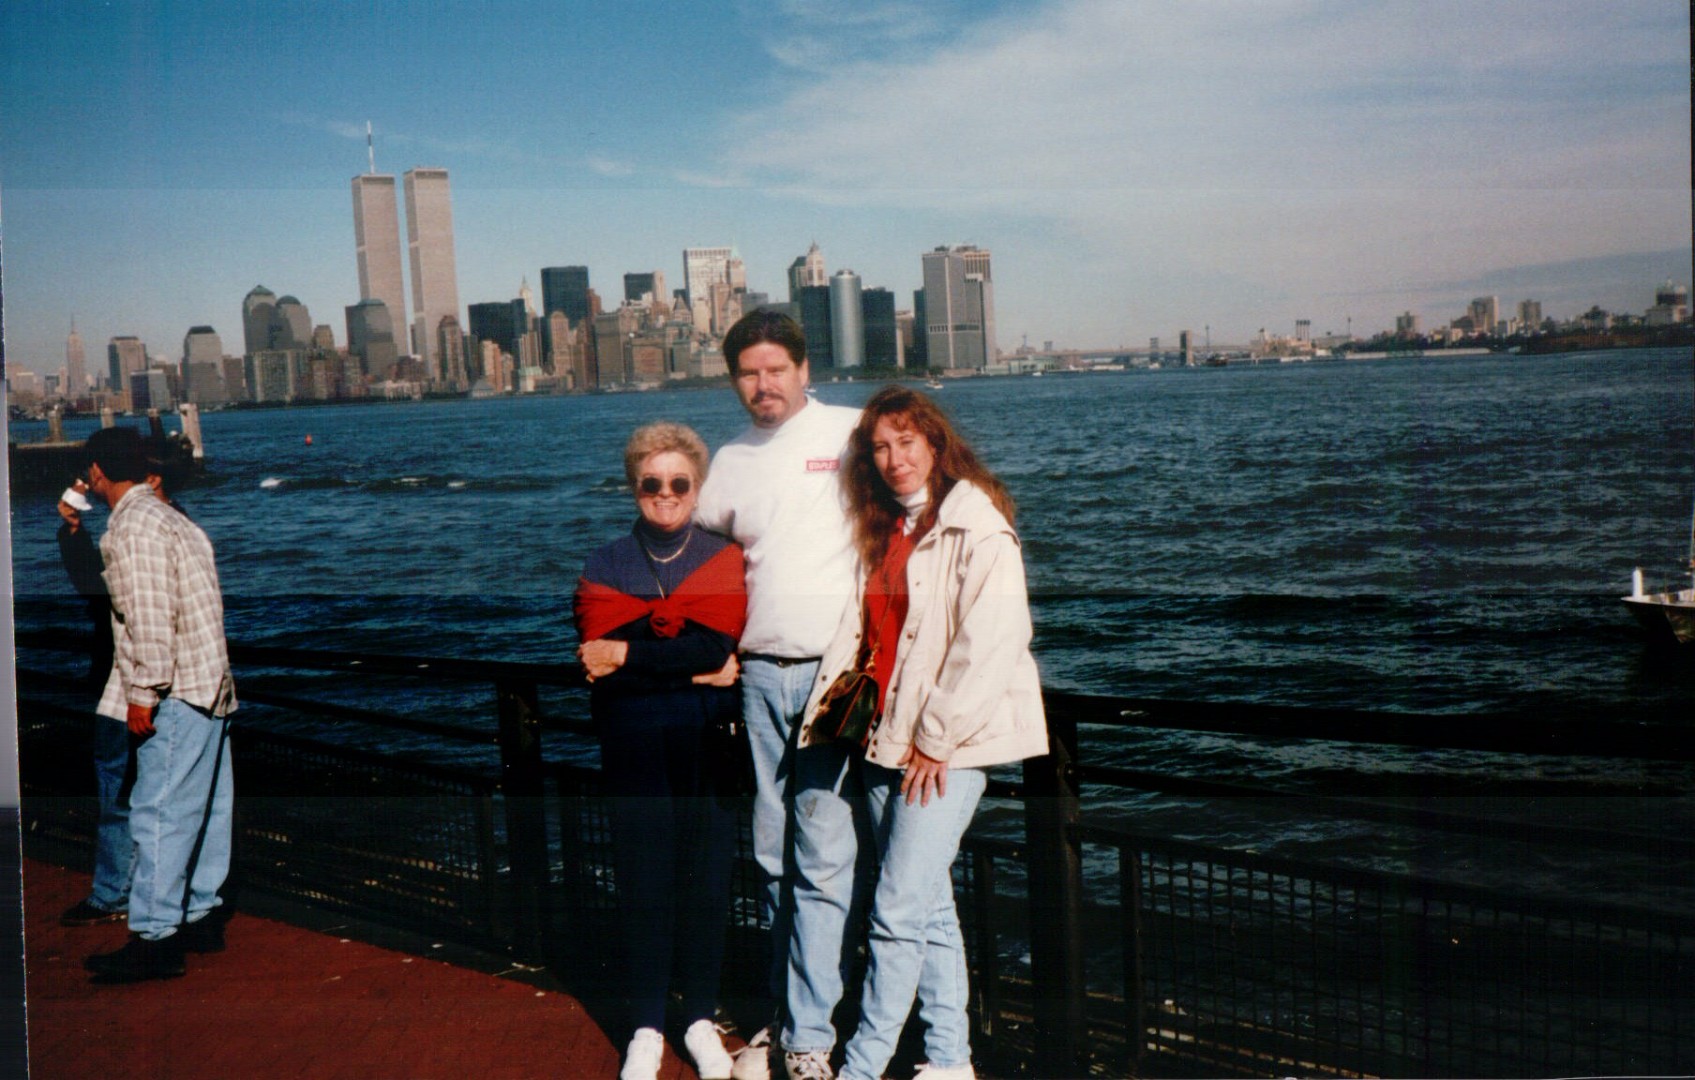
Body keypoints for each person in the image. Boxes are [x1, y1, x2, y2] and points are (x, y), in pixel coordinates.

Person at [799, 386, 1048, 1080]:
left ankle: (862, 1068)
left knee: (895, 911)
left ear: (935, 444)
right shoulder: (885, 529)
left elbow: (992, 642)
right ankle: (948, 1060)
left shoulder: (977, 526)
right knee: (928, 906)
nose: (894, 458)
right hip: (883, 738)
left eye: (906, 442)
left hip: (944, 748)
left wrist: (936, 739)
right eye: (880, 447)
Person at [693, 310, 868, 1080]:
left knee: (824, 856)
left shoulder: (855, 433)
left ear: (803, 369)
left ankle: (810, 1035)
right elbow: (699, 561)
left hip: (840, 673)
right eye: (747, 373)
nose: (762, 385)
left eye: (775, 369)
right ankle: (784, 1015)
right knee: (771, 855)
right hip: (760, 674)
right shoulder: (729, 460)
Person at [574, 422, 748, 1080]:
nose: (666, 493)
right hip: (633, 742)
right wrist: (692, 665)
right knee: (643, 880)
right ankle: (646, 1026)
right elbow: (598, 660)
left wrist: (630, 653)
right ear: (634, 487)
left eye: (679, 482)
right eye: (652, 482)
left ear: (697, 488)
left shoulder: (722, 558)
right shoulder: (605, 563)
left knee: (707, 880)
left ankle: (699, 1019)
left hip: (708, 741)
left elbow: (712, 645)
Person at [80, 425, 238, 984]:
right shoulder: (174, 518)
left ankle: (155, 937)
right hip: (211, 684)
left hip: (176, 691)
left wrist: (142, 695)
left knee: (159, 813)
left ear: (99, 472)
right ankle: (200, 916)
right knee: (207, 810)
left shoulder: (133, 527)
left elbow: (148, 621)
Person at [54, 479, 127, 928]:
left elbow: (93, 589)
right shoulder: (164, 528)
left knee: (117, 787)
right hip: (130, 682)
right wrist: (73, 532)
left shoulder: (133, 534)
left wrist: (73, 532)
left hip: (123, 684)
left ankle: (115, 892)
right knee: (130, 789)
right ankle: (127, 891)